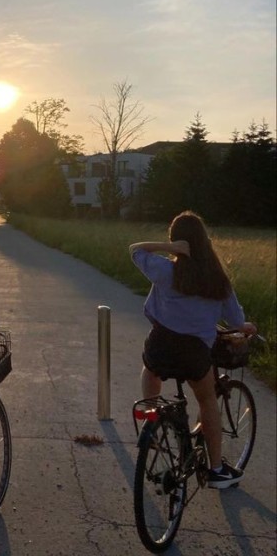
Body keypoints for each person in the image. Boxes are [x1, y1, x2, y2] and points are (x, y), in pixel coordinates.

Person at [129, 210, 257, 490]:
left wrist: (171, 249)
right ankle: (216, 470)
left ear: (177, 241)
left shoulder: (165, 270)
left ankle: (152, 419)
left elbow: (135, 250)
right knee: (207, 400)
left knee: (150, 368)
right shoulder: (218, 280)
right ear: (205, 241)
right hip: (194, 352)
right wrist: (246, 327)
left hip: (160, 346)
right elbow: (235, 321)